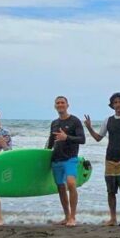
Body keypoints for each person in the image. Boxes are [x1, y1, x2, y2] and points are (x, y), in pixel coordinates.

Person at [84, 92, 120, 226]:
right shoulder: (108, 120)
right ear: (112, 105)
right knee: (111, 191)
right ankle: (113, 218)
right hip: (110, 159)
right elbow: (98, 138)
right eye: (115, 102)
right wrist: (89, 127)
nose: (118, 105)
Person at [46, 96, 85, 227]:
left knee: (71, 183)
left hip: (70, 158)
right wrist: (44, 156)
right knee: (61, 188)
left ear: (67, 105)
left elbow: (82, 139)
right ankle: (66, 216)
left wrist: (66, 137)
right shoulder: (54, 123)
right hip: (56, 159)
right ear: (55, 106)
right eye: (58, 103)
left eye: (62, 102)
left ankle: (73, 217)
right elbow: (50, 142)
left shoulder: (75, 121)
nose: (60, 105)